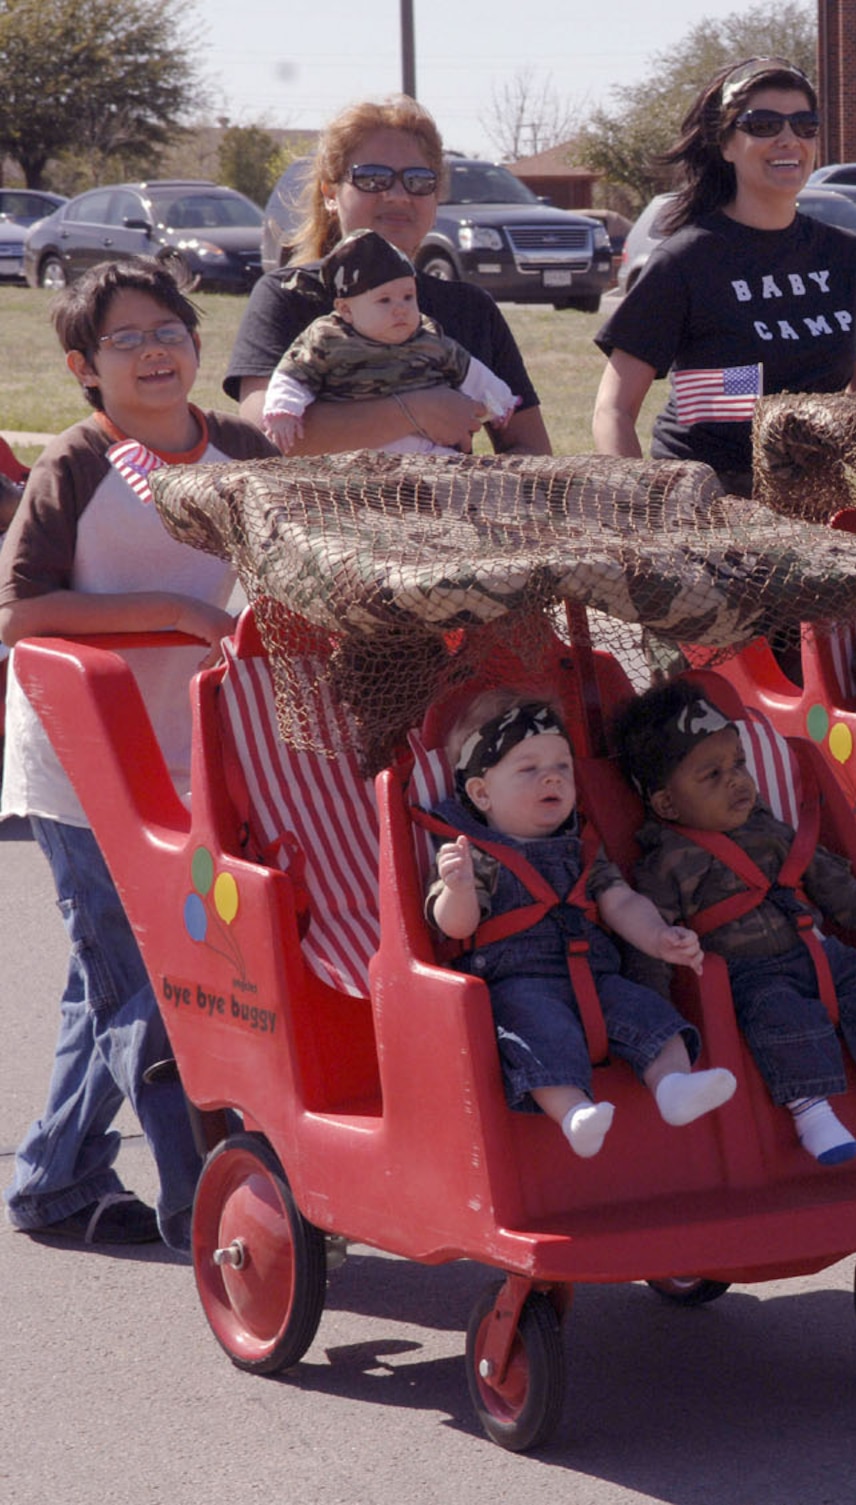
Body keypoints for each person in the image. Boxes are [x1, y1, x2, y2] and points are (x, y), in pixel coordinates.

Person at [2, 260, 278, 1251]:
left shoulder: (240, 447)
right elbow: (20, 610)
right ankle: (203, 1203)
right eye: (128, 339)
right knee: (149, 984)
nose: (157, 350)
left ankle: (51, 1180)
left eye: (171, 328)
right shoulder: (76, 462)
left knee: (109, 977)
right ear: (84, 365)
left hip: (201, 754)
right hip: (81, 768)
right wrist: (173, 612)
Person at [615, 681, 856, 1166]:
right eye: (713, 775)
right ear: (667, 805)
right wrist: (657, 1006)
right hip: (749, 972)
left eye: (738, 765)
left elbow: (827, 877)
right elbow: (651, 938)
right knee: (785, 1021)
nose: (737, 781)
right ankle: (812, 1114)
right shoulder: (667, 861)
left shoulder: (769, 829)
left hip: (818, 949)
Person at [425, 692, 738, 1158]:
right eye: (528, 768)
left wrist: (658, 937)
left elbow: (620, 901)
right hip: (520, 983)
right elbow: (454, 927)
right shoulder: (473, 855)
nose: (552, 776)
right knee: (538, 1035)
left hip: (596, 975)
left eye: (563, 767)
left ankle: (674, 1087)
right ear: (481, 793)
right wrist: (458, 888)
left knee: (654, 1017)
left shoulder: (581, 848)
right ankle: (573, 1113)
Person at [591, 56, 856, 495]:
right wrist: (645, 513)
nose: (789, 139)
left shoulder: (843, 254)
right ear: (726, 145)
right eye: (764, 125)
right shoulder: (687, 260)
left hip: (815, 500)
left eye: (805, 125)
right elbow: (612, 411)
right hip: (707, 499)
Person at [226, 95, 549, 457]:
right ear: (331, 194)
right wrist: (418, 411)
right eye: (373, 178)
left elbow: (529, 446)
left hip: (443, 509)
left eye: (418, 180)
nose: (397, 195)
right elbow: (262, 436)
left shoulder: (469, 308)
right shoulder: (288, 294)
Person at [260, 229, 519, 456]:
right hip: (358, 457)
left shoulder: (429, 339)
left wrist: (500, 401)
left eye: (408, 297)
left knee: (459, 482)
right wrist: (283, 410)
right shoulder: (327, 339)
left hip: (430, 454)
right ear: (345, 310)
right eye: (384, 301)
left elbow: (471, 371)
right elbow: (293, 374)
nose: (401, 309)